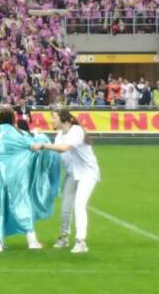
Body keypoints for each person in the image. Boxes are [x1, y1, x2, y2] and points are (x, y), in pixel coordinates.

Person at [32, 108, 102, 254]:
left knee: (79, 204)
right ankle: (64, 237)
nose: (52, 120)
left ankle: (81, 241)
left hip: (88, 174)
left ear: (64, 119)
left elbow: (64, 148)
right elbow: (57, 153)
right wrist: (38, 139)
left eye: (54, 117)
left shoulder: (76, 130)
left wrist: (43, 145)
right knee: (65, 208)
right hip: (72, 174)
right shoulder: (59, 136)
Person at [0, 106, 43, 250]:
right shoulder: (17, 133)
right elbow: (31, 146)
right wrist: (40, 140)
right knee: (21, 202)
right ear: (13, 119)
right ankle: (32, 240)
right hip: (15, 174)